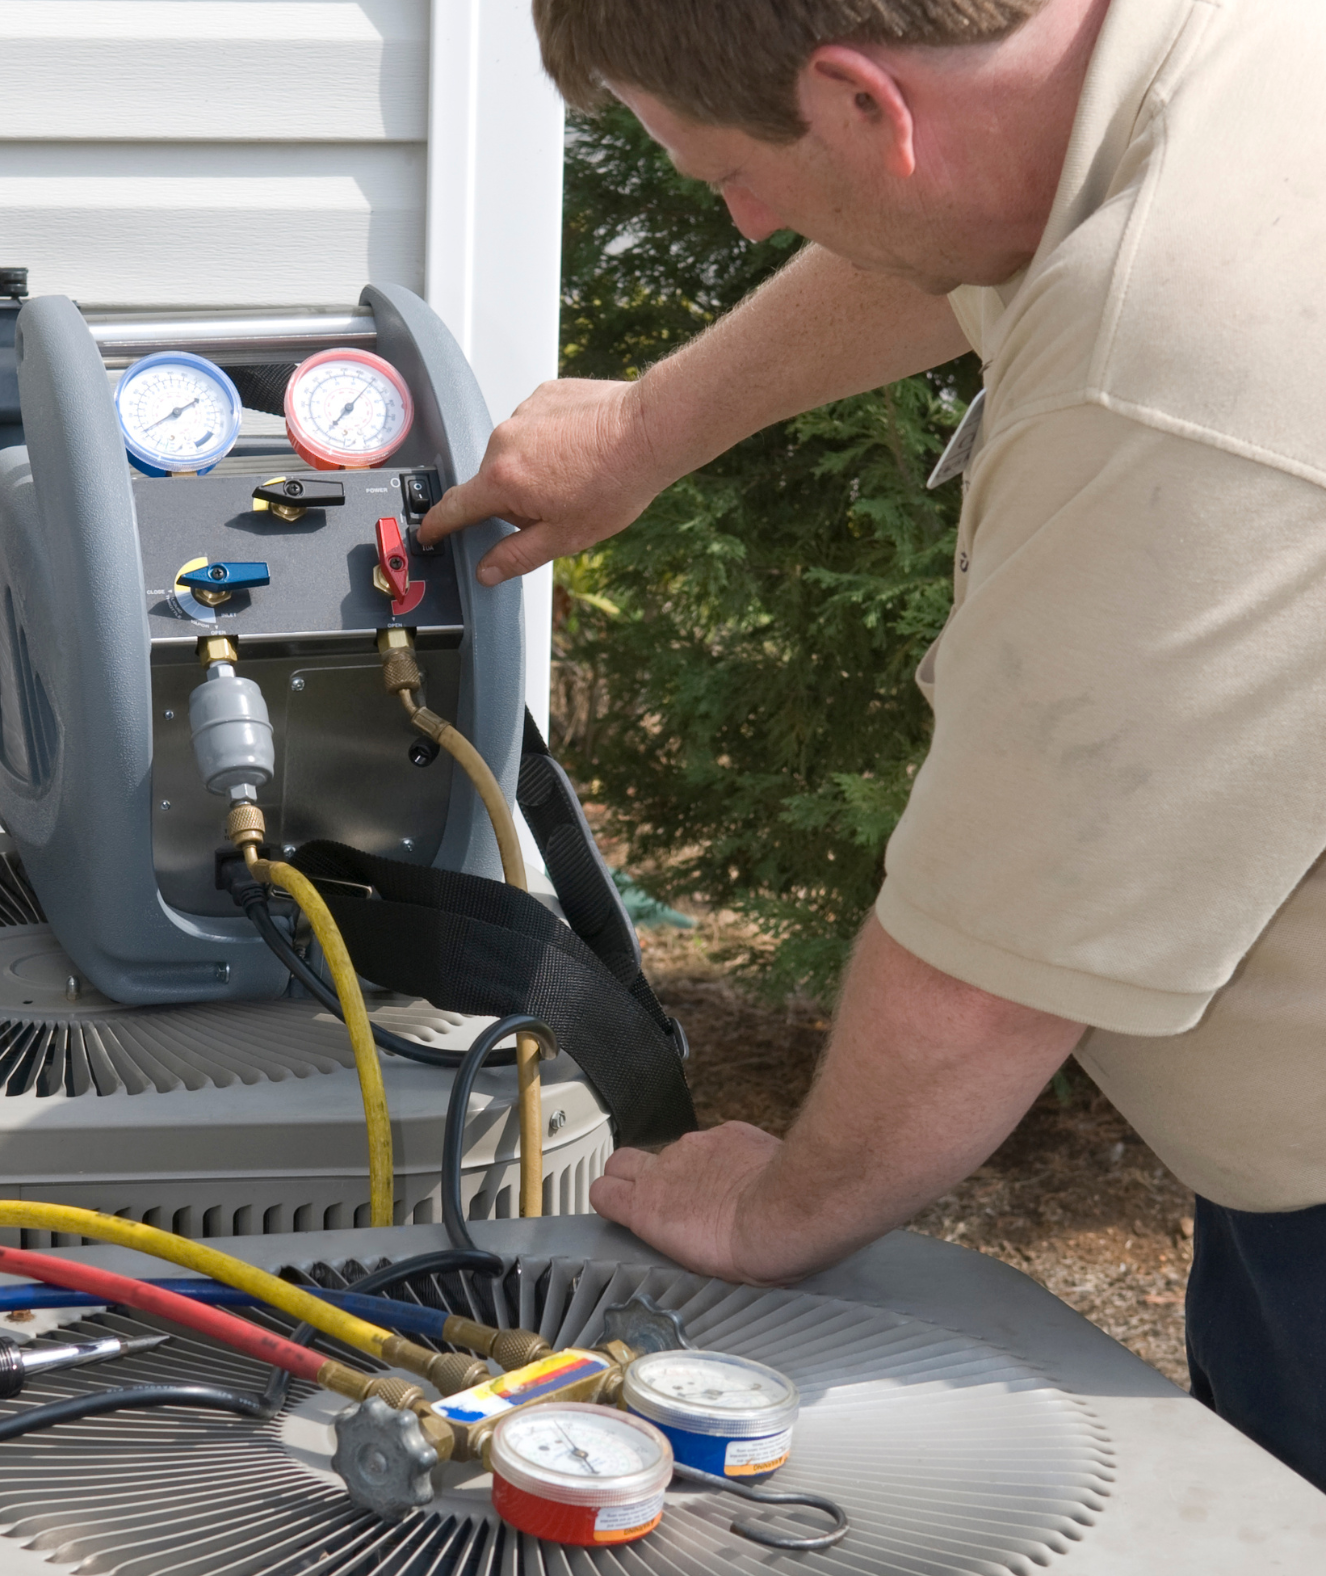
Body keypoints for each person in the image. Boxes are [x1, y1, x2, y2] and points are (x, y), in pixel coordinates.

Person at [417, 0, 1326, 1491]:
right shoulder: (1199, 62)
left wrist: (774, 1211)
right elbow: (964, 225)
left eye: (726, 177)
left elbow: (989, 970)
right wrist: (648, 423)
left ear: (861, 103)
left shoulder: (1180, 362)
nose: (751, 218)